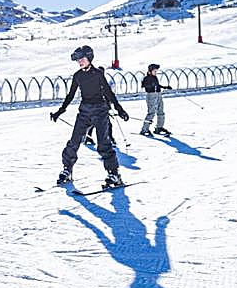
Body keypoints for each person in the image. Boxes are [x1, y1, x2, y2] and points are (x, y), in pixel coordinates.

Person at [51, 45, 128, 189]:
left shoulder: (98, 74)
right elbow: (71, 95)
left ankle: (114, 174)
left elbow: (108, 92)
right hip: (85, 111)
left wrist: (120, 109)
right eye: (78, 60)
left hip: (100, 111)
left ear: (89, 58)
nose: (80, 62)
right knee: (74, 141)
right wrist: (60, 111)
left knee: (103, 143)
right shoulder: (78, 76)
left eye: (82, 59)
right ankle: (67, 170)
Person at [139, 63, 173, 136]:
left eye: (156, 71)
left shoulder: (155, 77)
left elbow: (157, 85)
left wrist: (164, 87)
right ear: (150, 71)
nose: (156, 72)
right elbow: (144, 85)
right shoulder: (146, 78)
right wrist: (150, 85)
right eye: (154, 71)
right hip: (151, 95)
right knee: (151, 112)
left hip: (158, 94)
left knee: (161, 111)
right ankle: (145, 129)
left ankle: (159, 127)